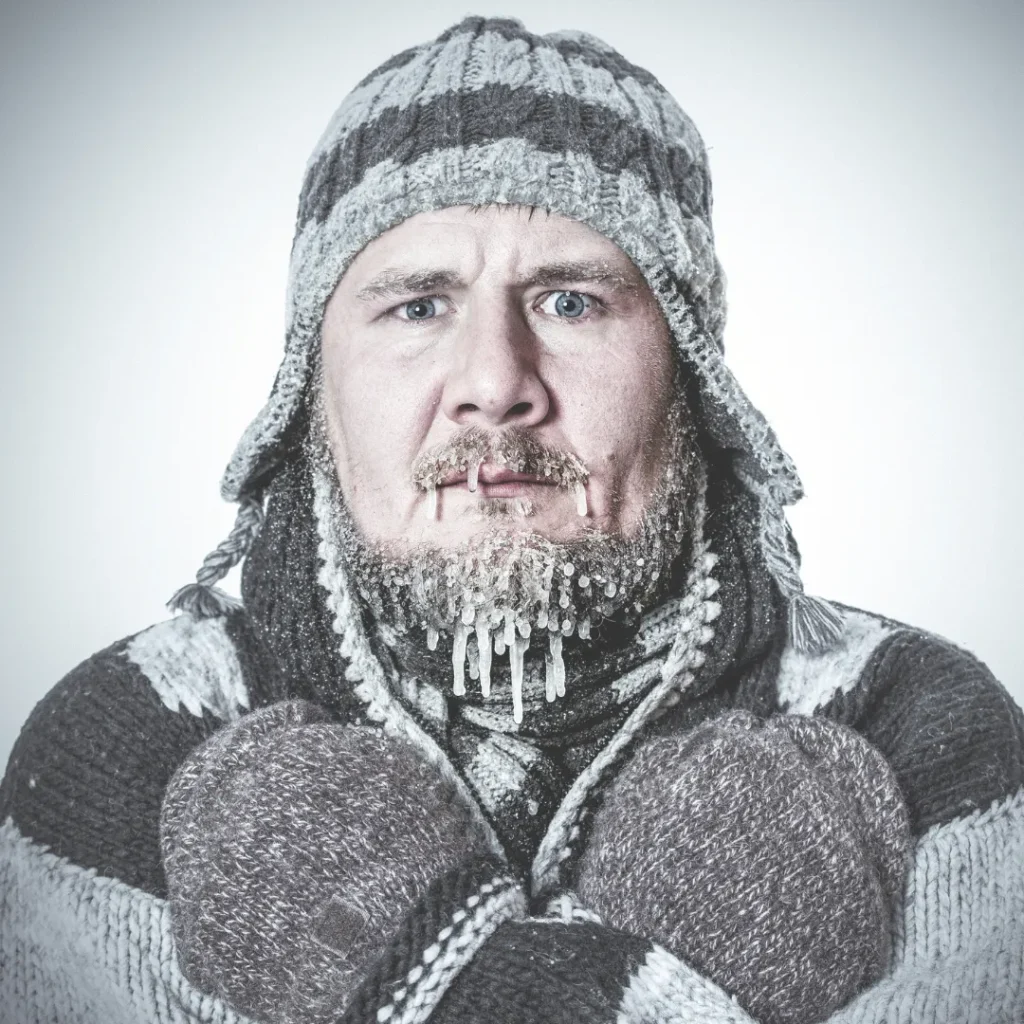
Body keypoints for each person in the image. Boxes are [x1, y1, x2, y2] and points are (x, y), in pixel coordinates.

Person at [1, 15, 1021, 1024]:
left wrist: (385, 973)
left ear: (693, 380)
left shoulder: (910, 726)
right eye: (417, 305)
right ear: (313, 387)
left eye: (570, 301)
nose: (494, 382)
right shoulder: (134, 741)